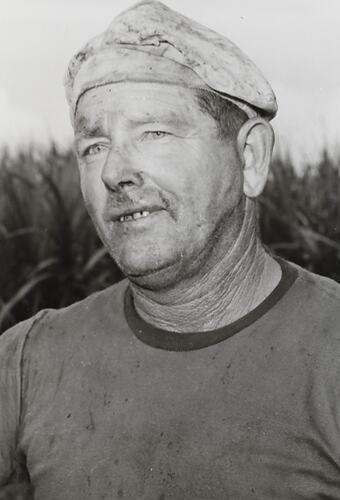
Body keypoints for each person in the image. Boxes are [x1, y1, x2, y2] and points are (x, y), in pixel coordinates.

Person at [1, 1, 340, 499]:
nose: (115, 171)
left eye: (154, 133)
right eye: (94, 146)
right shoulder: (26, 361)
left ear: (249, 157)